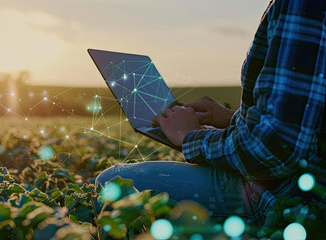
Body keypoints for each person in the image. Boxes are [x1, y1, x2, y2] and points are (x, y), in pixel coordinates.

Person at [96, 0, 326, 226]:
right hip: (304, 184)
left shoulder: (302, 5)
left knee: (111, 184)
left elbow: (273, 149)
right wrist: (232, 118)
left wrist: (191, 137)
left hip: (288, 199)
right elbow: (305, 117)